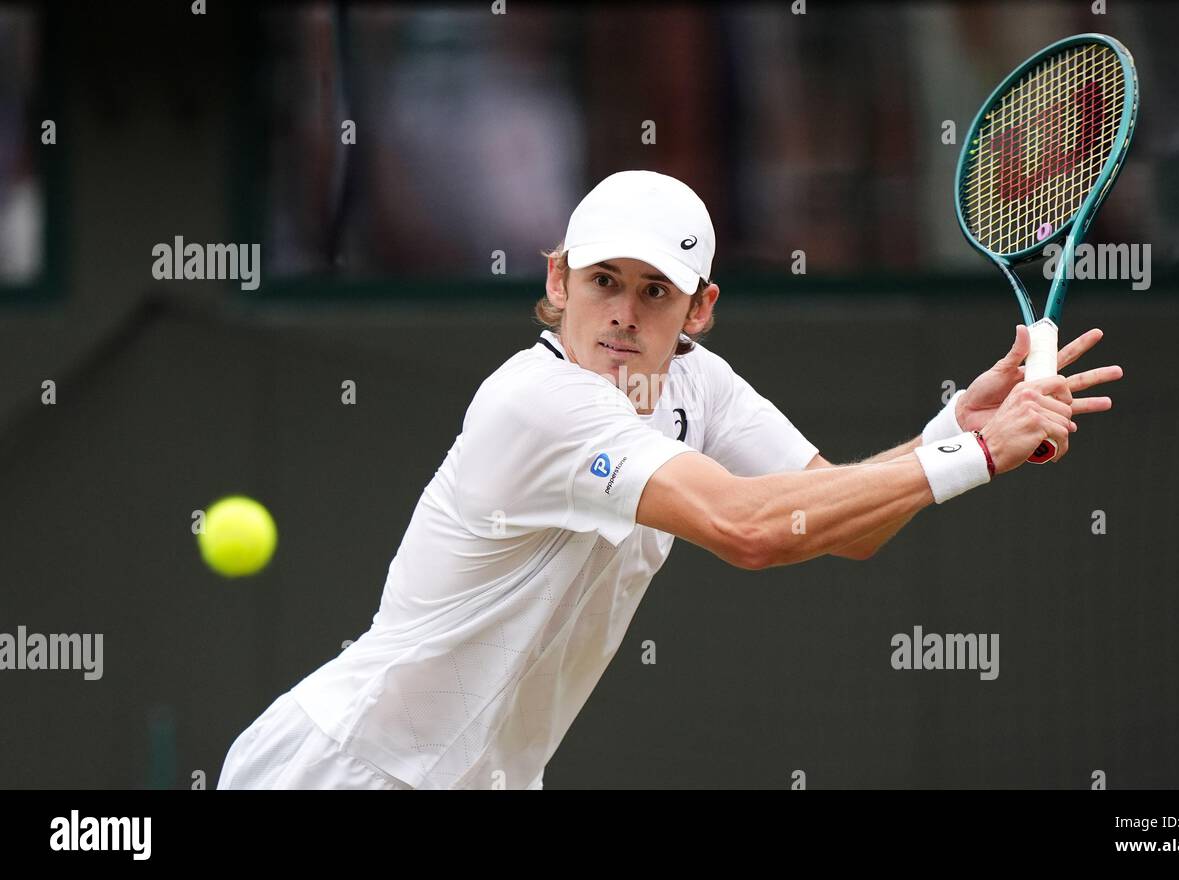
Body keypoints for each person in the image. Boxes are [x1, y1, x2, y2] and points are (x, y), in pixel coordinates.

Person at [217, 169, 1122, 790]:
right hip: (343, 772)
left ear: (702, 307)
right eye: (604, 279)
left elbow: (839, 519)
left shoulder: (698, 383)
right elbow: (749, 529)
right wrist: (979, 454)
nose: (624, 311)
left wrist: (949, 430)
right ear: (558, 281)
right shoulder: (535, 405)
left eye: (657, 290)